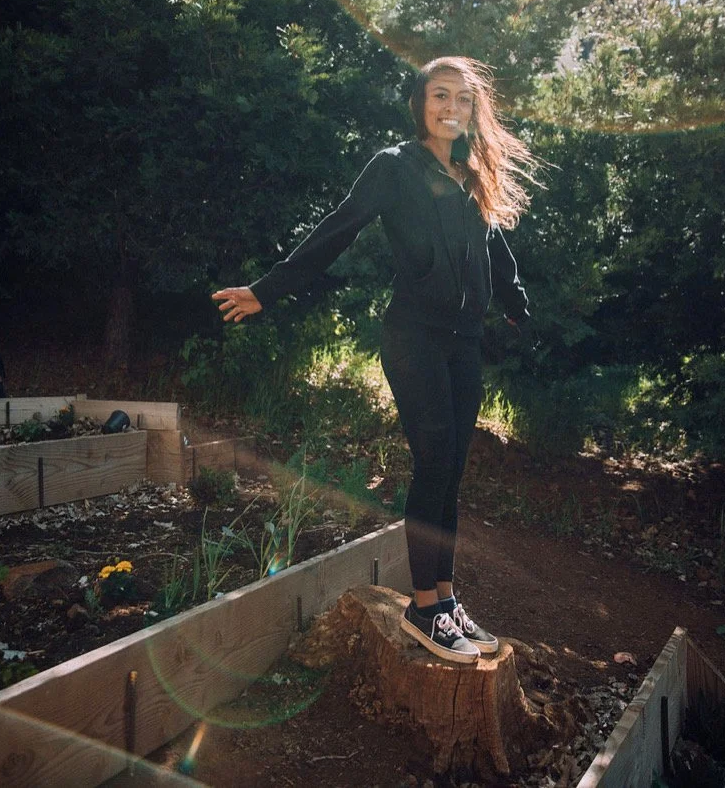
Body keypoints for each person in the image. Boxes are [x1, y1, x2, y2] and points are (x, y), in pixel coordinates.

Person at [213, 56, 537, 663]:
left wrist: (515, 299)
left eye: (463, 100)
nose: (451, 109)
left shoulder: (472, 170)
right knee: (434, 459)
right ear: (420, 103)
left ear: (474, 110)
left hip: (464, 341)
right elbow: (338, 229)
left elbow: (493, 241)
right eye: (440, 96)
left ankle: (445, 598)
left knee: (453, 470)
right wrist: (267, 290)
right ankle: (422, 606)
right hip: (414, 337)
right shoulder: (393, 168)